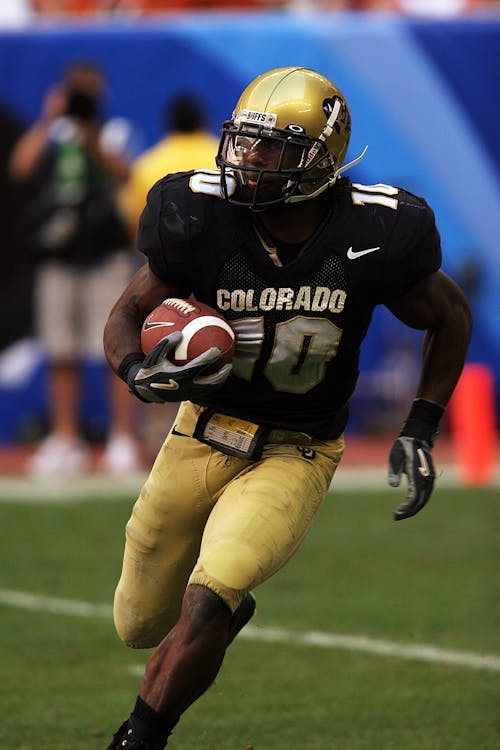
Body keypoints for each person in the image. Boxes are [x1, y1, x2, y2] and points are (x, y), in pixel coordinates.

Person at [102, 66, 472, 748]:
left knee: (216, 588)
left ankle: (139, 736)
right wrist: (135, 369)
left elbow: (449, 315)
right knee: (138, 623)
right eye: (244, 143)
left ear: (322, 159)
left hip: (296, 449)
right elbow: (128, 310)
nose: (249, 161)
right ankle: (215, 621)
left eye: (272, 149)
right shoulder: (199, 217)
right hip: (201, 433)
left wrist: (421, 425)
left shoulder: (376, 231)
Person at [9, 60, 142, 475]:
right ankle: (66, 437)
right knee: (60, 350)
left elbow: (126, 175)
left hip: (104, 253)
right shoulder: (53, 133)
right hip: (60, 254)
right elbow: (21, 167)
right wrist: (51, 120)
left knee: (116, 348)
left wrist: (92, 138)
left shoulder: (112, 130)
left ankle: (122, 438)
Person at [120, 92, 220, 457]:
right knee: (215, 349)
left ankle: (159, 441)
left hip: (166, 274)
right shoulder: (217, 154)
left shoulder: (149, 163)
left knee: (161, 348)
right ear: (202, 118)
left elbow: (134, 223)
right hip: (216, 274)